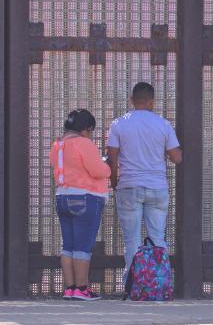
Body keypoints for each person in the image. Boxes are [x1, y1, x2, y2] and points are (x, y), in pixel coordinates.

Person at [106, 82, 182, 287]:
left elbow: (111, 158)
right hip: (157, 187)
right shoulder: (163, 124)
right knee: (158, 237)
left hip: (129, 185)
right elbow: (177, 157)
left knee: (132, 240)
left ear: (132, 100)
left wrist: (114, 182)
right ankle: (159, 284)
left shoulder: (119, 124)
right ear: (152, 101)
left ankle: (133, 285)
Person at [49, 109, 111, 301]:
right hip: (85, 198)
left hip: (62, 197)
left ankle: (70, 288)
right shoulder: (84, 143)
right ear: (86, 128)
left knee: (68, 246)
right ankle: (82, 289)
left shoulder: (57, 145)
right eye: (91, 131)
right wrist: (107, 166)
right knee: (83, 247)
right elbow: (98, 170)